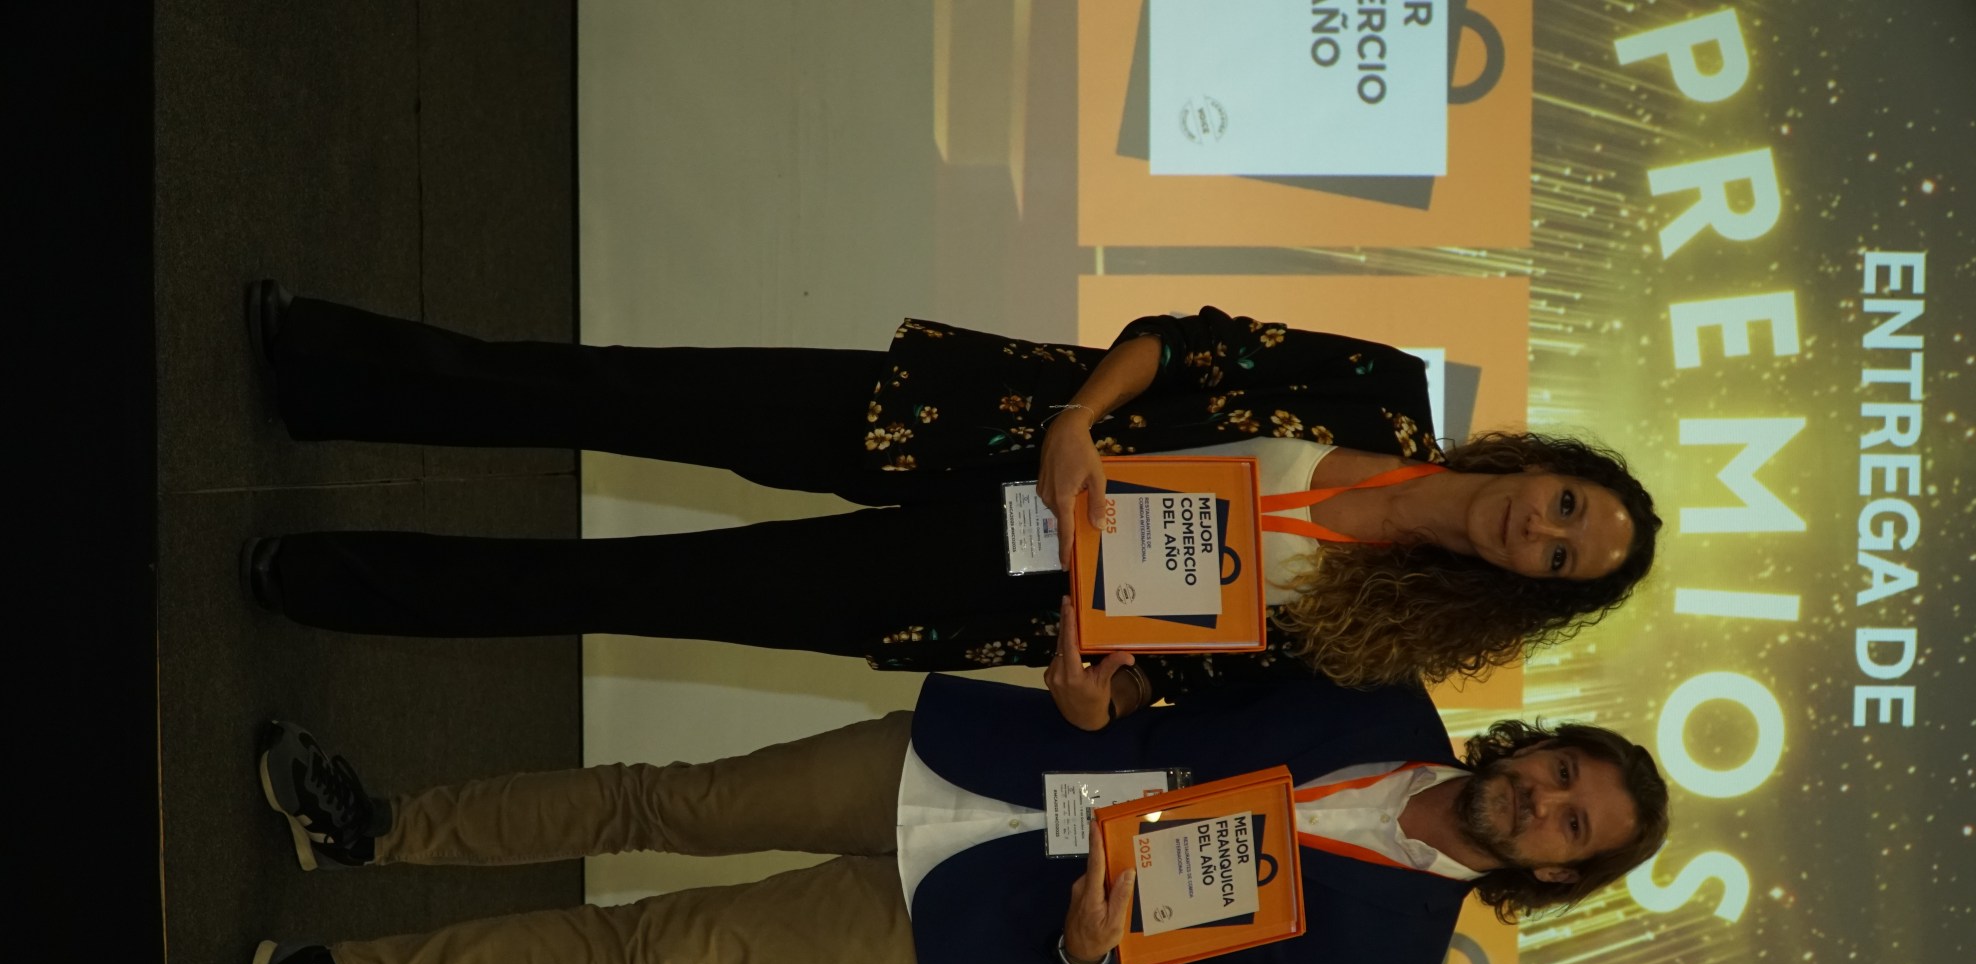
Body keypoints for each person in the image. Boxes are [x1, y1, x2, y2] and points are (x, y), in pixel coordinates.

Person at [217, 605, 1670, 964]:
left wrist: (1094, 961)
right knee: (654, 802)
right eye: (1562, 772)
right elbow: (1198, 655)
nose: (1543, 801)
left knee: (651, 945)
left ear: (1555, 872)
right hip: (968, 758)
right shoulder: (1381, 693)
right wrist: (1113, 686)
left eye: (1571, 825)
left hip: (971, 928)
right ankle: (376, 827)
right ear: (1536, 746)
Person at [240, 283, 1661, 705]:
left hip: (979, 586)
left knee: (637, 590)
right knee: (624, 390)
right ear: (1544, 465)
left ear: (1530, 595)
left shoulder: (1374, 645)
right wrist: (1083, 423)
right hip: (971, 428)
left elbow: (1176, 693)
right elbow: (1195, 343)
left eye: (1561, 559)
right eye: (1565, 506)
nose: (1538, 530)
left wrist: (1095, 695)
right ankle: (331, 370)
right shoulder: (1384, 395)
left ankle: (321, 579)